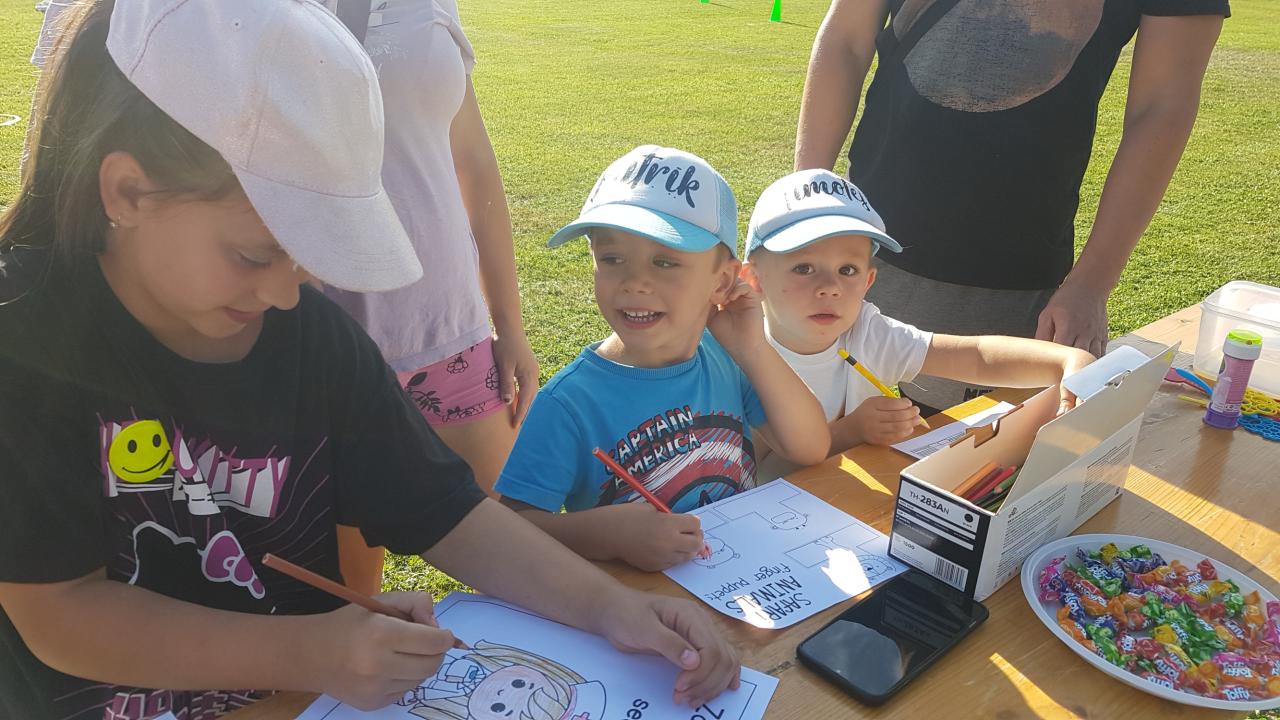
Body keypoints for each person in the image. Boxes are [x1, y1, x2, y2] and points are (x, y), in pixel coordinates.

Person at [0, 4, 739, 718]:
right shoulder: (24, 341)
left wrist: (613, 607)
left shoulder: (311, 339)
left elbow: (447, 514)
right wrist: (309, 652)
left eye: (307, 257)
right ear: (129, 191)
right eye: (255, 254)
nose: (285, 294)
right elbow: (58, 611)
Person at [794, 0, 1227, 409]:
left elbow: (1162, 104)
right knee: (807, 434)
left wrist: (1092, 285)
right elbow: (846, 40)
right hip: (855, 247)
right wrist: (803, 210)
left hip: (1006, 283)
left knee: (971, 454)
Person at [495, 146, 830, 573]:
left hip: (739, 579)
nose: (635, 282)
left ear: (722, 281)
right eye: (612, 259)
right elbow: (508, 530)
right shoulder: (568, 404)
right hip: (637, 600)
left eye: (665, 261)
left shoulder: (726, 358)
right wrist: (608, 537)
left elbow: (810, 446)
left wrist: (752, 348)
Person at [320, 0, 540, 594]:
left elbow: (473, 161)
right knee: (350, 600)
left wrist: (509, 325)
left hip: (452, 336)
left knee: (520, 555)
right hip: (329, 353)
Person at [742, 170, 1095, 456]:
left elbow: (975, 357)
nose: (830, 287)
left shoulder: (867, 333)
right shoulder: (741, 355)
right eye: (804, 268)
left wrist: (1067, 360)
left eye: (847, 270)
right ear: (753, 279)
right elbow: (755, 468)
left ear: (868, 281)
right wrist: (850, 431)